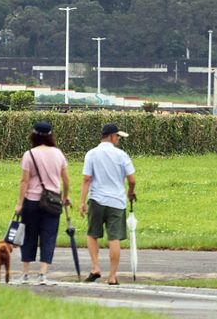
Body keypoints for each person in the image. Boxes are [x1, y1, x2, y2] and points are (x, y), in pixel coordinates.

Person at [79, 123, 136, 285]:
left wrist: (82, 201)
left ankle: (96, 267)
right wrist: (131, 191)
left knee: (92, 234)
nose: (118, 139)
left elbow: (86, 179)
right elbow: (132, 180)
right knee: (114, 237)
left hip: (96, 199)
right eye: (117, 136)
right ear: (111, 136)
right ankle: (112, 276)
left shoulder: (91, 154)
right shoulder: (121, 155)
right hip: (117, 202)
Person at [15, 121, 70, 285]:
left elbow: (24, 181)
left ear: (33, 135)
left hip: (31, 201)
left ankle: (25, 274)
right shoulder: (58, 154)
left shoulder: (29, 155)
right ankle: (42, 274)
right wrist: (65, 197)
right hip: (52, 202)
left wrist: (19, 203)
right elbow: (66, 180)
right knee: (49, 236)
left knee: (28, 236)